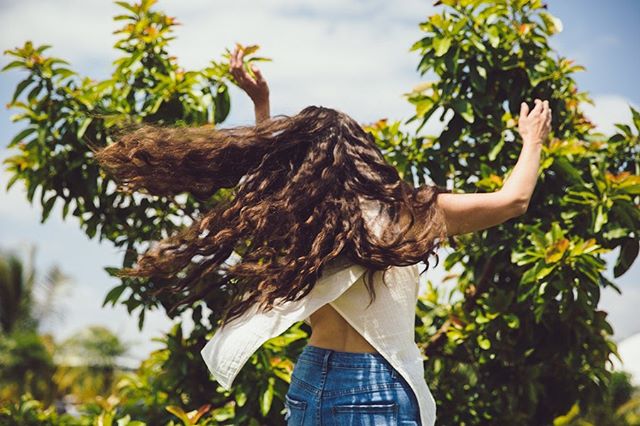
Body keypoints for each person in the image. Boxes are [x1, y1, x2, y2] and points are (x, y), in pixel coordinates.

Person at [92, 46, 552, 426]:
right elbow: (513, 200)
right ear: (362, 154)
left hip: (311, 378)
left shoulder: (298, 221)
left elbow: (264, 176)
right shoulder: (407, 213)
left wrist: (261, 110)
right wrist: (531, 140)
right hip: (374, 385)